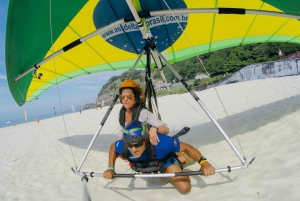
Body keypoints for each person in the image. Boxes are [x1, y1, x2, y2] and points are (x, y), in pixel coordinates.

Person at [103, 121, 215, 194]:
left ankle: (181, 160)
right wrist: (111, 168)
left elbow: (186, 147)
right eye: (129, 145)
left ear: (145, 139)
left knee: (185, 188)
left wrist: (203, 162)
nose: (133, 149)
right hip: (144, 165)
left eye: (137, 144)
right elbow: (113, 146)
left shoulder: (161, 143)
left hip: (163, 161)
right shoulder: (123, 146)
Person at [117, 80, 169, 145]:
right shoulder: (122, 113)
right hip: (131, 145)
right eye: (122, 97)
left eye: (129, 96)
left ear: (135, 98)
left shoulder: (142, 112)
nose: (125, 99)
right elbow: (121, 133)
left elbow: (166, 129)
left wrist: (154, 129)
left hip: (144, 145)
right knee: (113, 147)